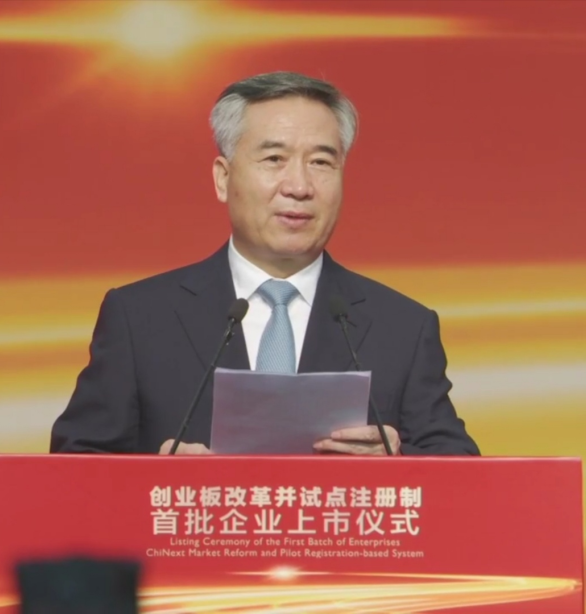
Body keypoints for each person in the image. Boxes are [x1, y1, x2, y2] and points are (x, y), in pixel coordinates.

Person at [50, 71, 479, 456]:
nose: (299, 186)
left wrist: (395, 462)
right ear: (223, 178)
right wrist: (160, 484)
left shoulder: (403, 327)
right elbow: (73, 467)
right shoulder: (140, 318)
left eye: (321, 162)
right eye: (274, 159)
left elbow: (462, 474)